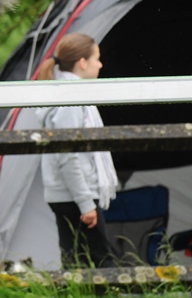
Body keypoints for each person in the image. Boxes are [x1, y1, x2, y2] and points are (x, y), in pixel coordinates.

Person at [37, 33, 119, 269]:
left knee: (74, 262)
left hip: (66, 194)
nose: (100, 64)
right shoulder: (71, 99)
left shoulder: (64, 93)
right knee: (103, 262)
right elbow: (68, 156)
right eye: (97, 58)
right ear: (83, 63)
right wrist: (86, 204)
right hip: (74, 195)